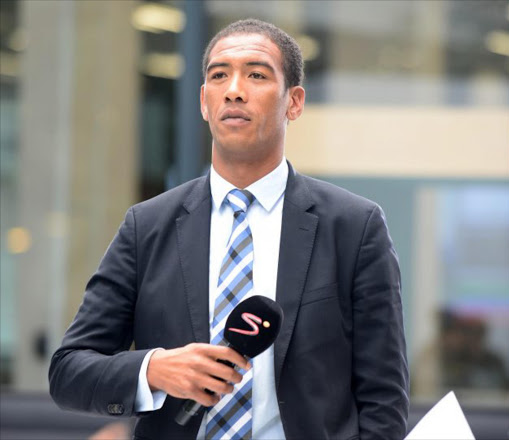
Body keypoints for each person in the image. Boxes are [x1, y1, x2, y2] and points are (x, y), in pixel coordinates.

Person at [49, 18, 409, 440]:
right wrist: (154, 370)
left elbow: (384, 400)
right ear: (204, 102)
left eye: (256, 74)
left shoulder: (353, 227)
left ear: (294, 102)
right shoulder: (146, 227)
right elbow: (69, 371)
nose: (234, 90)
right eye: (219, 75)